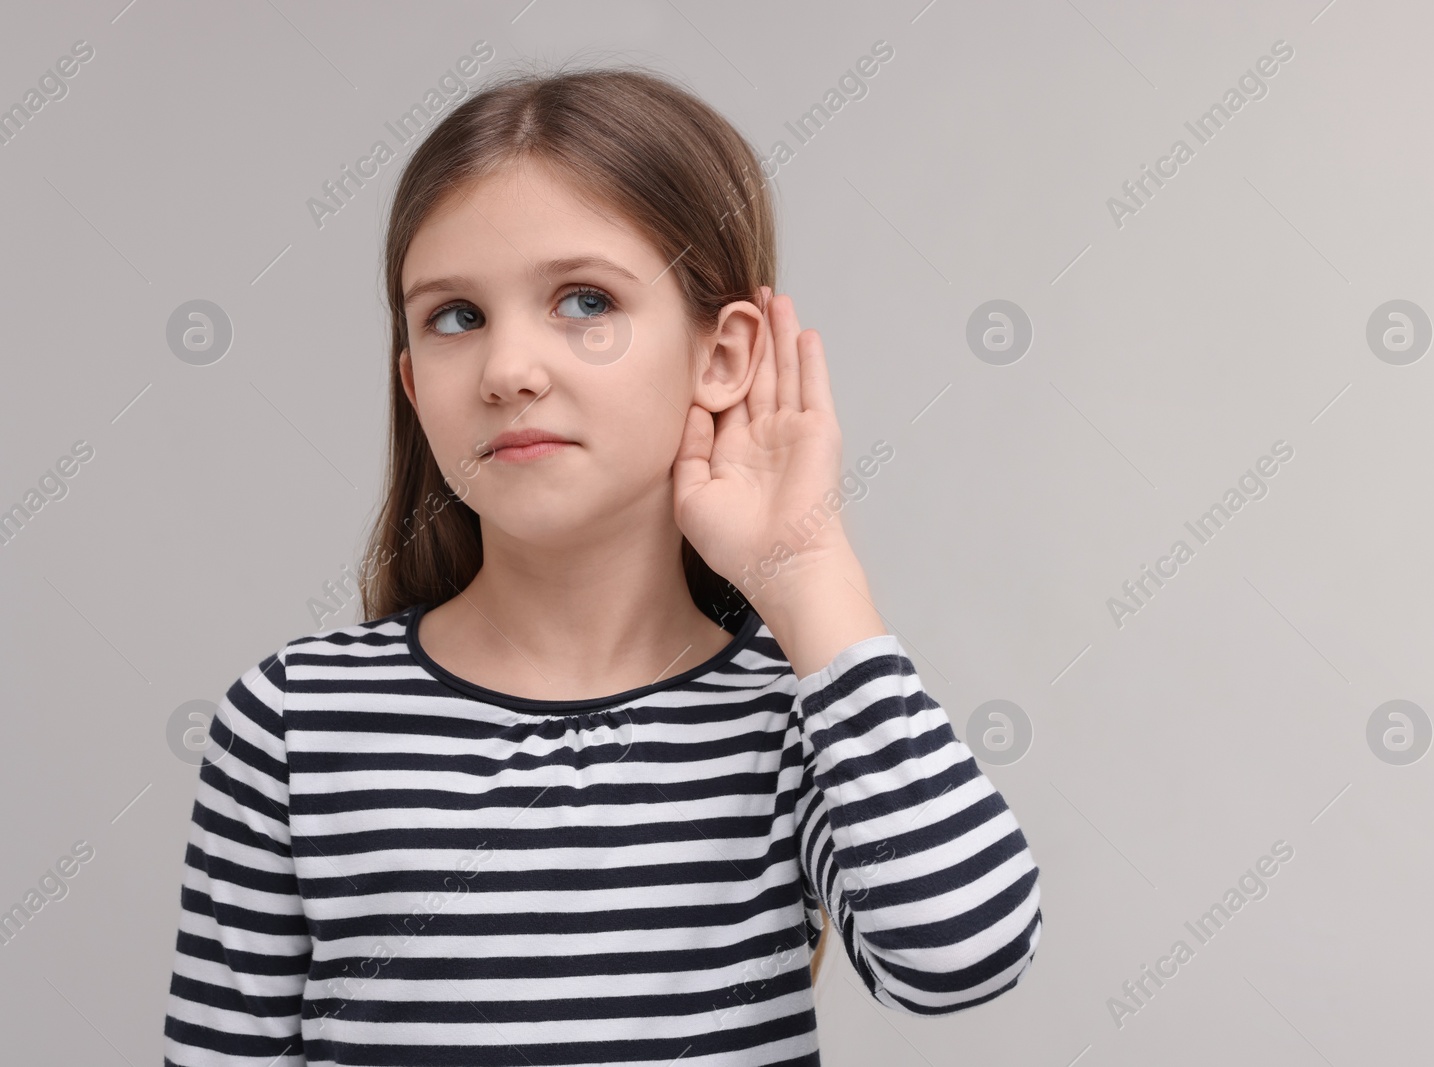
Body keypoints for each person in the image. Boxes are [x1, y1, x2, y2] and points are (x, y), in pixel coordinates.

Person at [162, 62, 1043, 1066]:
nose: (507, 370)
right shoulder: (293, 723)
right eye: (455, 316)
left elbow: (964, 956)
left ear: (721, 355)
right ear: (411, 380)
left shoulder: (798, 722)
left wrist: (808, 570)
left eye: (584, 300)